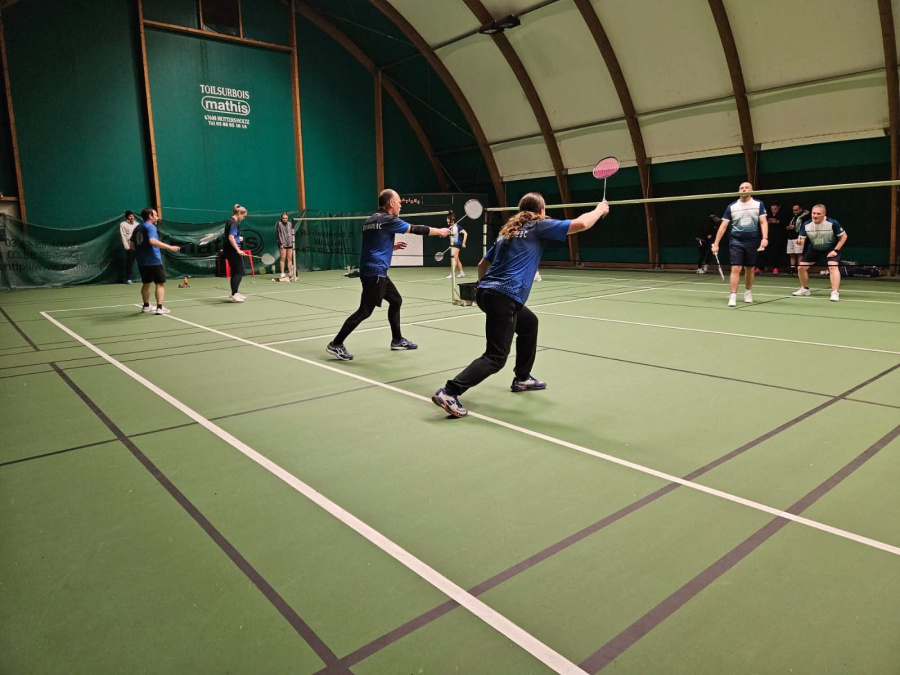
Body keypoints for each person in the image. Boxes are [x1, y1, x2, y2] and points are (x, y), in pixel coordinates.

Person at [431, 192, 609, 418]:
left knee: (529, 324)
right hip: (504, 296)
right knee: (496, 357)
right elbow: (582, 224)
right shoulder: (538, 225)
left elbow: (482, 264)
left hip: (486, 292)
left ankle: (522, 378)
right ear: (541, 211)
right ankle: (450, 392)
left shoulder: (507, 232)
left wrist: (486, 290)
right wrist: (600, 210)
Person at [326, 189, 451, 361]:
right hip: (376, 272)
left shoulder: (370, 220)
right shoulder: (389, 219)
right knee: (364, 311)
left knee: (396, 300)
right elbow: (415, 229)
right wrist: (440, 231)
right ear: (391, 203)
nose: (400, 205)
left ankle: (397, 340)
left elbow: (373, 245)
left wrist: (390, 247)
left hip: (373, 270)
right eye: (399, 202)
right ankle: (336, 343)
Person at [711, 182, 768, 307]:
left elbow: (763, 222)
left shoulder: (758, 204)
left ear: (751, 190)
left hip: (752, 240)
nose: (744, 189)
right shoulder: (732, 206)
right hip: (736, 240)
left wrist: (765, 238)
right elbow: (723, 226)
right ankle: (733, 295)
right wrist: (716, 243)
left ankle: (748, 292)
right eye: (741, 188)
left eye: (746, 187)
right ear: (738, 191)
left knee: (750, 268)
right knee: (735, 268)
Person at [791, 203, 847, 302]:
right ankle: (805, 289)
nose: (815, 216)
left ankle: (835, 292)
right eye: (813, 213)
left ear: (824, 214)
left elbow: (844, 236)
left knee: (833, 266)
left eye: (818, 214)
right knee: (801, 268)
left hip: (831, 247)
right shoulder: (806, 224)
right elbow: (802, 239)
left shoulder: (832, 223)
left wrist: (836, 250)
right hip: (815, 247)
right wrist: (800, 241)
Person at [131, 207, 179, 315]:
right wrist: (170, 247)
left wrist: (142, 252)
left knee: (146, 283)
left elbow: (131, 245)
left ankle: (146, 306)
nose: (157, 217)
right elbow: (152, 241)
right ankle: (160, 308)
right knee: (160, 283)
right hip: (153, 260)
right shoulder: (150, 227)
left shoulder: (138, 227)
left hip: (142, 261)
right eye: (156, 215)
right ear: (150, 216)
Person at [224, 204, 249, 302]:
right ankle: (234, 294)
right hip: (232, 251)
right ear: (239, 213)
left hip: (228, 250)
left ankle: (235, 292)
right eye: (243, 216)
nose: (243, 218)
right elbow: (230, 238)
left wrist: (238, 238)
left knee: (235, 271)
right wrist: (238, 250)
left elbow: (231, 236)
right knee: (239, 271)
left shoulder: (229, 220)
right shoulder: (234, 223)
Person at [785, 203, 809, 275]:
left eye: (796, 210)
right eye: (793, 210)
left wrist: (795, 227)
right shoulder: (793, 217)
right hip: (790, 237)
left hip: (798, 237)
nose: (794, 211)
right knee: (791, 254)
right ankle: (792, 269)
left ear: (800, 209)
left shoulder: (803, 217)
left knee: (799, 254)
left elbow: (804, 227)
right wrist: (788, 227)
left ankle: (799, 269)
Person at [763, 202, 785, 275]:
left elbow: (785, 225)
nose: (773, 210)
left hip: (778, 238)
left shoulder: (782, 215)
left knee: (777, 253)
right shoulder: (768, 215)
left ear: (778, 208)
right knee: (767, 252)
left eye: (775, 209)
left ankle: (776, 268)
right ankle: (766, 267)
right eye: (772, 209)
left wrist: (777, 221)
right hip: (769, 237)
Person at [445, 212, 467, 279]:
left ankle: (452, 273)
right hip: (453, 244)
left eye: (448, 221)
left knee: (454, 259)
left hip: (457, 244)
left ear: (452, 221)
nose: (447, 223)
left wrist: (464, 242)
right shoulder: (450, 227)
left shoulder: (458, 227)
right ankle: (462, 273)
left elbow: (465, 233)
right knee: (457, 259)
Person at [120, 210, 137, 284]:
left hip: (138, 246)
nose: (132, 217)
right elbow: (122, 235)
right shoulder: (123, 224)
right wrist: (126, 246)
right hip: (130, 247)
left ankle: (146, 277)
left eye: (132, 216)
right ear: (127, 217)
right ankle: (128, 279)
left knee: (143, 261)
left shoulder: (137, 224)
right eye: (130, 216)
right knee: (129, 263)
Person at [275, 212, 294, 279]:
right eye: (283, 218)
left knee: (290, 258)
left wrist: (292, 242)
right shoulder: (278, 223)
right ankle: (282, 273)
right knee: (283, 258)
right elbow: (278, 234)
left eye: (286, 218)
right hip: (282, 244)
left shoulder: (290, 224)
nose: (285, 219)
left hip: (290, 243)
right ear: (281, 218)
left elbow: (291, 233)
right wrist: (280, 243)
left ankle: (290, 273)